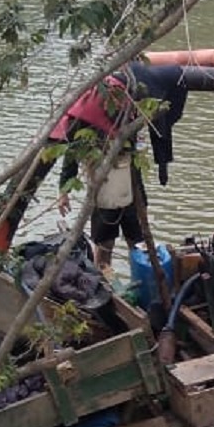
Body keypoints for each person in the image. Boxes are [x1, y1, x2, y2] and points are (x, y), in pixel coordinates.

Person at [51, 63, 188, 271]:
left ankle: (143, 278)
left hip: (130, 173)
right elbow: (72, 152)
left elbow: (159, 120)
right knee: (105, 240)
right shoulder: (89, 108)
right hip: (103, 176)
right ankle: (104, 279)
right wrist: (64, 191)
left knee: (138, 237)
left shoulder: (133, 99)